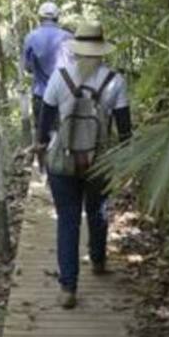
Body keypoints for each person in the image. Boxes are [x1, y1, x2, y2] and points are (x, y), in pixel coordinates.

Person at [36, 19, 132, 309]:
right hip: (99, 161)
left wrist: (41, 149)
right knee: (98, 210)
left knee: (67, 219)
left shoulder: (59, 77)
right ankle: (99, 260)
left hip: (62, 160)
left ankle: (68, 288)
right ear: (101, 50)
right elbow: (126, 130)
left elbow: (44, 124)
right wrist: (124, 160)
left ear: (76, 51)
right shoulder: (115, 81)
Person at [21, 1, 72, 141]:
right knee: (70, 138)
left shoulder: (31, 38)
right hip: (66, 95)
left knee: (43, 140)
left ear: (40, 18)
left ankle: (44, 161)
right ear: (57, 17)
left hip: (41, 96)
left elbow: (28, 68)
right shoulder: (68, 37)